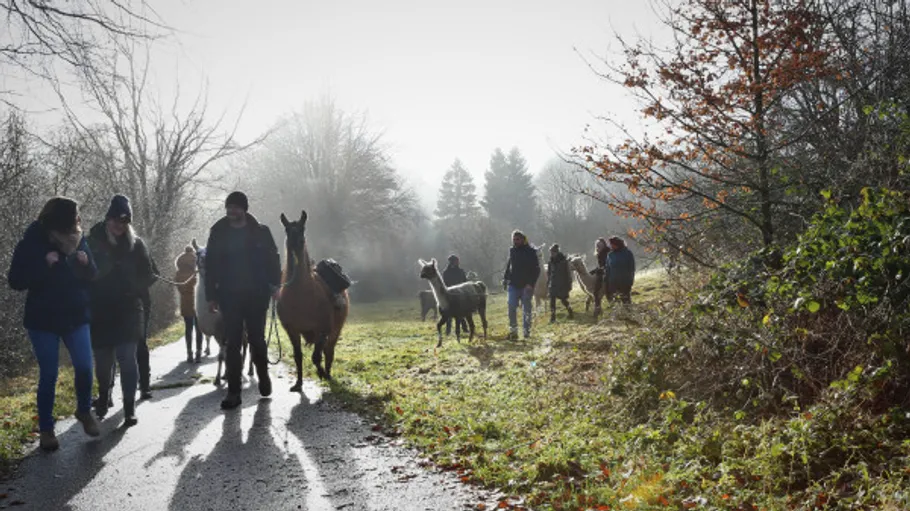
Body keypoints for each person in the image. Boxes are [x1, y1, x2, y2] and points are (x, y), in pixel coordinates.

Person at [7, 197, 101, 450]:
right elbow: (15, 280)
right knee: (49, 374)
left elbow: (93, 274)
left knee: (84, 366)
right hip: (43, 320)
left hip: (76, 315)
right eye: (75, 216)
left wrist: (86, 264)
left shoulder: (78, 239)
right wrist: (43, 264)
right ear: (60, 219)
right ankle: (47, 430)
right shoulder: (32, 241)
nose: (78, 221)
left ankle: (84, 411)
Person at [204, 191, 281, 410]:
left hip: (257, 294)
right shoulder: (218, 232)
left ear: (244, 209)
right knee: (232, 343)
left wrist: (275, 285)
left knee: (256, 339)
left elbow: (273, 258)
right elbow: (210, 265)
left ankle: (263, 375)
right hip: (229, 296)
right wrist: (211, 296)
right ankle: (234, 392)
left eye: (236, 207)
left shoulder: (261, 231)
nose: (231, 211)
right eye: (229, 207)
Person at [87, 194, 155, 426]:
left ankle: (129, 408)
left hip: (128, 308)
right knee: (104, 363)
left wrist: (132, 287)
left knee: (127, 358)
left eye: (124, 221)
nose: (119, 225)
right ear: (108, 219)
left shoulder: (136, 244)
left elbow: (149, 274)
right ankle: (104, 396)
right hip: (100, 310)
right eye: (115, 220)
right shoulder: (92, 241)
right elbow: (83, 274)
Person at [502, 230, 540, 340]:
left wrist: (530, 284)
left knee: (526, 310)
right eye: (513, 240)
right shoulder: (512, 251)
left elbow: (536, 269)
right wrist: (505, 279)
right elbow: (509, 266)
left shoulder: (531, 252)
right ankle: (513, 331)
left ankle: (526, 331)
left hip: (526, 286)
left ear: (523, 239)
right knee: (511, 308)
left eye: (517, 239)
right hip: (513, 285)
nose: (515, 242)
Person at [175, 246, 203, 363]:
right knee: (199, 329)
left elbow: (179, 287)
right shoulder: (197, 271)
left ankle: (189, 353)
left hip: (185, 303)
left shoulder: (179, 272)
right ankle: (198, 353)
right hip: (197, 303)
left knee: (188, 329)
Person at [136, 255, 158, 400]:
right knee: (111, 347)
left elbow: (154, 274)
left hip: (139, 301)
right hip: (109, 304)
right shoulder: (97, 243)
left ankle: (144, 385)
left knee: (140, 342)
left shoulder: (138, 245)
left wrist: (136, 285)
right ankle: (106, 392)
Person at [546, 244, 573, 323]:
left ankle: (570, 310)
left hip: (562, 284)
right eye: (551, 253)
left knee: (563, 300)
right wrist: (548, 283)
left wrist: (569, 284)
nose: (551, 254)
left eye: (553, 252)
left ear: (557, 252)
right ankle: (553, 317)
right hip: (553, 284)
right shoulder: (550, 262)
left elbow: (568, 274)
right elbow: (549, 273)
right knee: (552, 301)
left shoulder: (564, 262)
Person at [441, 254, 467, 336]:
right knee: (449, 314)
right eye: (456, 261)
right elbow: (444, 284)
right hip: (450, 295)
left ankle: (464, 328)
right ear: (453, 262)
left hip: (460, 295)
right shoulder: (446, 273)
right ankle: (448, 330)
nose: (458, 262)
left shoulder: (461, 271)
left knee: (461, 313)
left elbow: (465, 282)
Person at [607, 236, 636, 304]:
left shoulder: (627, 253)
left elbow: (632, 268)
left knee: (626, 301)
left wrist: (631, 280)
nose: (610, 246)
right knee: (616, 302)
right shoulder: (610, 255)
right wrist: (608, 281)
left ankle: (628, 313)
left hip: (625, 282)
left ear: (617, 244)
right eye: (610, 244)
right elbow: (608, 268)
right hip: (613, 283)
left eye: (612, 244)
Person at [590, 237, 611, 315]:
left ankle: (613, 306)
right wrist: (595, 270)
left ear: (604, 245)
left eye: (600, 245)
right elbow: (601, 266)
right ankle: (598, 308)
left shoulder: (608, 252)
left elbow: (606, 265)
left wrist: (597, 270)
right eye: (597, 245)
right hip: (601, 273)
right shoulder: (599, 254)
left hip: (608, 273)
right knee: (595, 292)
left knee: (608, 292)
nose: (598, 247)